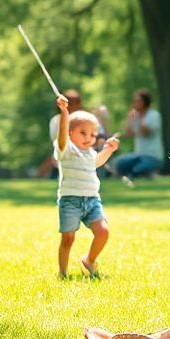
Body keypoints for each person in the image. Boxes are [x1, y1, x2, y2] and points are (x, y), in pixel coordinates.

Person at [54, 95, 120, 279]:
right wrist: (65, 112)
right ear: (70, 133)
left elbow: (96, 162)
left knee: (103, 232)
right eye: (83, 133)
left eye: (92, 134)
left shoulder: (89, 153)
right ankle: (63, 273)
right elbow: (62, 133)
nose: (89, 138)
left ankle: (89, 260)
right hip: (70, 201)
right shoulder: (65, 149)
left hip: (92, 200)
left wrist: (109, 149)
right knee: (68, 238)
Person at [114, 89, 164, 185]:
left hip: (153, 157)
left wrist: (140, 117)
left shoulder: (154, 115)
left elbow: (145, 132)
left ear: (145, 102)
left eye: (138, 101)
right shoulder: (136, 116)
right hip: (139, 155)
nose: (135, 104)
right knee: (120, 163)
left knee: (137, 170)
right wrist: (130, 119)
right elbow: (128, 134)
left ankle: (149, 173)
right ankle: (145, 174)